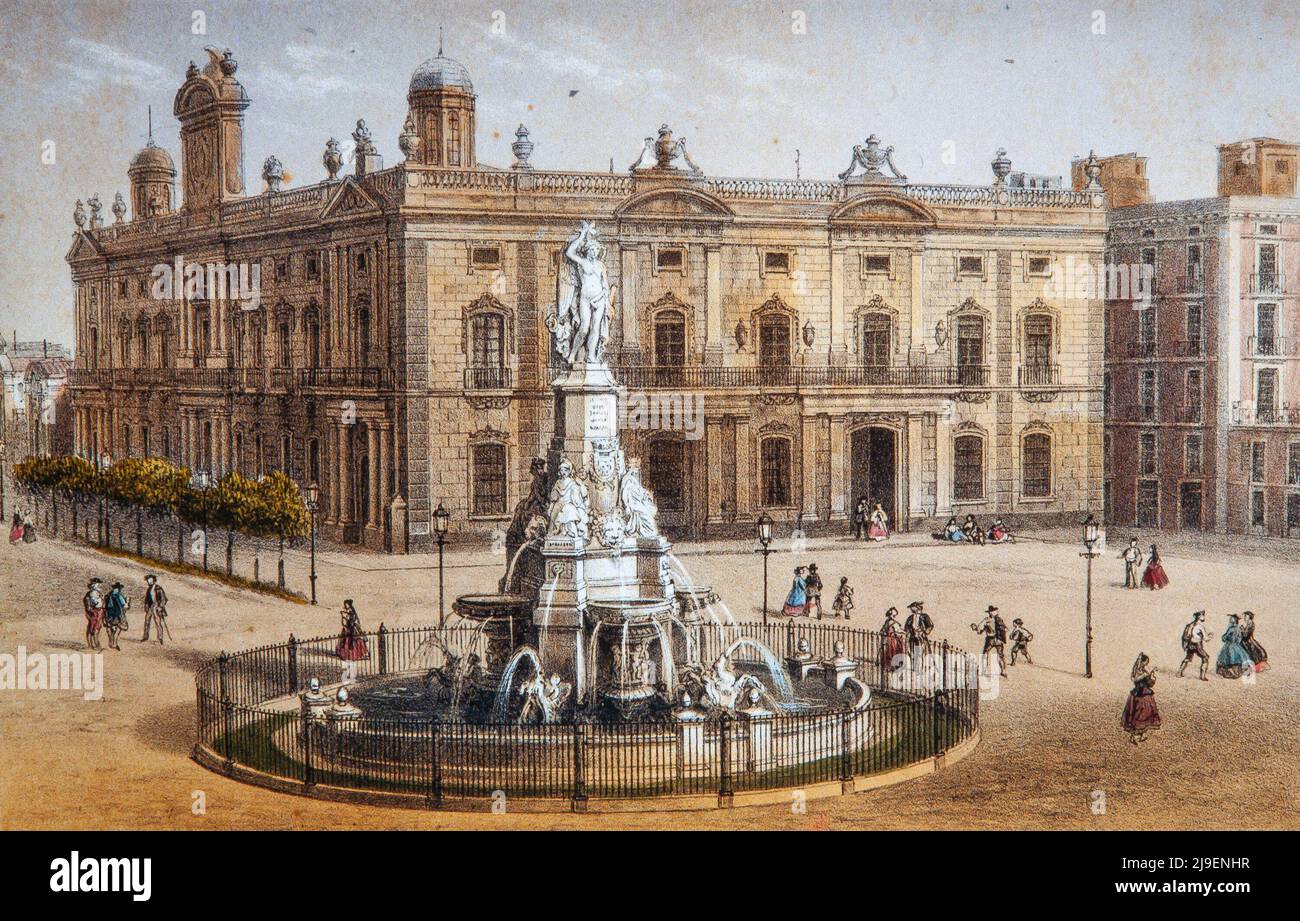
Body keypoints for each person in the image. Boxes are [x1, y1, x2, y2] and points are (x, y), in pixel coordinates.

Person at [1121, 653, 1161, 744]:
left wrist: (1152, 676)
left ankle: (1142, 734)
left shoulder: (1144, 670)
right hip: (1139, 694)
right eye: (1145, 662)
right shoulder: (1137, 670)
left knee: (1146, 714)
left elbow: (1150, 682)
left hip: (1146, 693)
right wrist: (1145, 675)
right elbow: (1135, 679)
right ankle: (1133, 736)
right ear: (1142, 662)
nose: (1146, 664)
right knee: (1138, 714)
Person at [970, 605, 1007, 677]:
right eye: (993, 611)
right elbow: (1005, 629)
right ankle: (1000, 671)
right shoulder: (995, 620)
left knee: (988, 654)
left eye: (993, 611)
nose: (993, 612)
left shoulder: (990, 620)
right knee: (996, 655)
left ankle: (986, 671)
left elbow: (979, 631)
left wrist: (975, 628)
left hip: (993, 639)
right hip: (995, 640)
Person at [1215, 614, 1253, 679]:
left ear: (1234, 620)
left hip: (1229, 646)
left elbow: (1224, 638)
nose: (1230, 619)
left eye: (1231, 618)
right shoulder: (1239, 628)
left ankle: (1232, 673)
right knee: (1239, 658)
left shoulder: (1231, 629)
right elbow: (1239, 638)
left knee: (1229, 659)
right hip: (1236, 646)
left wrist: (1226, 638)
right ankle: (1238, 672)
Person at [1177, 610, 1209, 681]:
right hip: (1197, 645)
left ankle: (1179, 673)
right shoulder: (1200, 626)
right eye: (1202, 615)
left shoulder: (1190, 625)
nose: (1204, 616)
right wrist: (1210, 636)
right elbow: (1206, 638)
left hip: (1190, 644)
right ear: (1199, 617)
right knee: (1205, 658)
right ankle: (1202, 676)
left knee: (1188, 658)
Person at [141, 574, 168, 645]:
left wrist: (160, 607)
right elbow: (147, 599)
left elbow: (164, 599)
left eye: (150, 580)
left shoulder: (159, 588)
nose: (149, 581)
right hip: (151, 606)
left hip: (157, 606)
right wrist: (146, 605)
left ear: (154, 580)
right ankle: (145, 637)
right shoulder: (149, 589)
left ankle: (160, 638)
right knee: (147, 621)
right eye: (148, 580)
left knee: (157, 622)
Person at [103, 582, 129, 651]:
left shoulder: (108, 595)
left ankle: (111, 643)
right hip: (117, 615)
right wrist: (127, 602)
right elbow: (125, 606)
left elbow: (104, 606)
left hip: (109, 615)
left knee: (111, 629)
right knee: (117, 629)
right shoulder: (119, 596)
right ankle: (114, 643)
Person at [880, 607, 905, 673]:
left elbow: (882, 630)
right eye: (893, 615)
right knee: (893, 652)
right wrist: (904, 632)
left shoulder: (887, 621)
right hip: (892, 640)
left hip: (887, 640)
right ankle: (892, 666)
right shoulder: (893, 623)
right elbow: (898, 630)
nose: (894, 617)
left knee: (888, 652)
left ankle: (887, 666)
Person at [82, 578, 105, 651]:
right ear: (94, 585)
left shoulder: (95, 592)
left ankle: (93, 644)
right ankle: (95, 645)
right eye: (97, 584)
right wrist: (100, 601)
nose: (99, 585)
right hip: (95, 612)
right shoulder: (93, 593)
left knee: (94, 628)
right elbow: (97, 604)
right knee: (94, 628)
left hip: (96, 612)